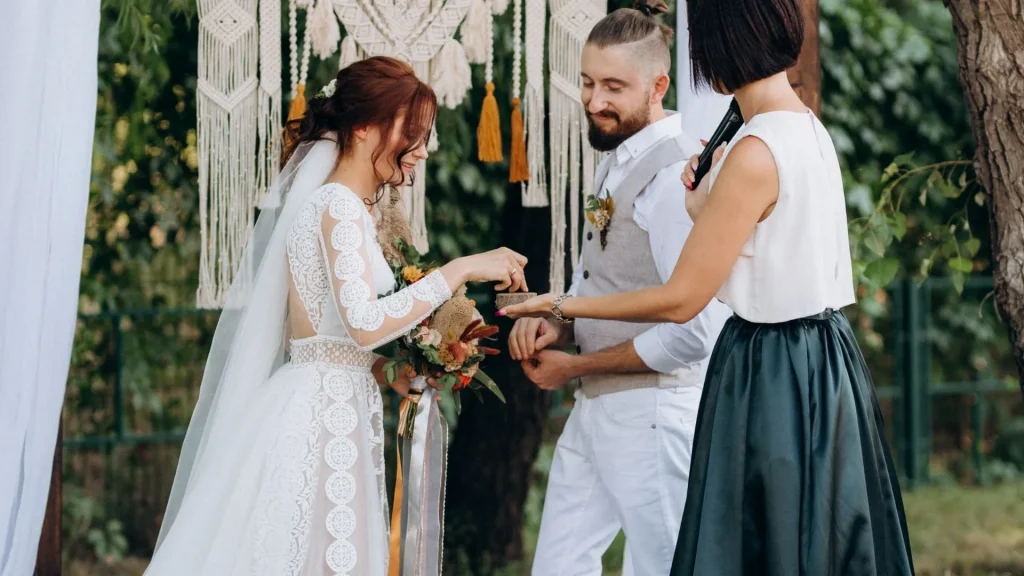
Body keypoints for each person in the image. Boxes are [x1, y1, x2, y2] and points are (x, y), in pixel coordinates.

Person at [500, 0, 915, 573]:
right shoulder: (805, 129)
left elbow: (682, 300)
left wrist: (560, 305)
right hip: (822, 355)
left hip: (774, 363)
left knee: (757, 545)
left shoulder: (753, 150)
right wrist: (701, 204)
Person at [146, 56, 529, 576]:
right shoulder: (338, 207)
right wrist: (461, 269)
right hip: (322, 414)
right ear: (366, 126)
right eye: (411, 134)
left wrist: (385, 370)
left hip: (331, 398)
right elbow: (364, 324)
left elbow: (317, 331)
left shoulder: (345, 208)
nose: (420, 150)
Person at [508, 2, 730, 574]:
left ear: (659, 85)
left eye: (612, 86)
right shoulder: (618, 158)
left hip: (655, 413)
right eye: (586, 82)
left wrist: (572, 367)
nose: (594, 101)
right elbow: (612, 280)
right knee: (557, 564)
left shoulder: (675, 177)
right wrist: (559, 324)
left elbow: (695, 331)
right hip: (599, 409)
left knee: (661, 566)